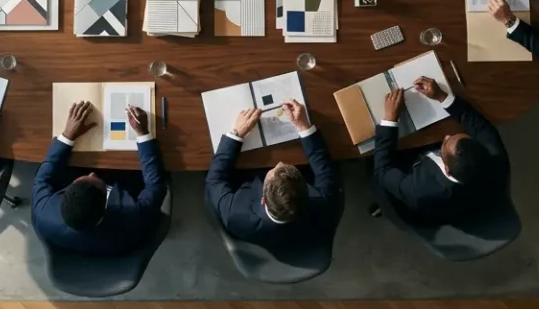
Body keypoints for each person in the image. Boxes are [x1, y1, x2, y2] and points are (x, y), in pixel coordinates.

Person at [32, 101, 167, 254]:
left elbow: (42, 178)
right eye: (99, 181)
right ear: (106, 202)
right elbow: (155, 185)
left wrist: (67, 136)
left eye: (81, 179)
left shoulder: (44, 212)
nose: (92, 173)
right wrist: (143, 134)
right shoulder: (133, 218)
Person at [205, 100, 341, 251]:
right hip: (303, 238)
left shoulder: (235, 214)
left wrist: (236, 134)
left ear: (263, 199)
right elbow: (324, 166)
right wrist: (303, 127)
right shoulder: (326, 204)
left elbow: (214, 180)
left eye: (273, 172)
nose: (280, 163)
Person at [372, 78, 509, 224]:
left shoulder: (419, 190)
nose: (447, 136)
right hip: (480, 198)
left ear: (447, 170)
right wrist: (442, 97)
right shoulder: (494, 154)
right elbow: (478, 125)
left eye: (445, 143)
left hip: (436, 200)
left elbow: (382, 170)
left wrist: (390, 120)